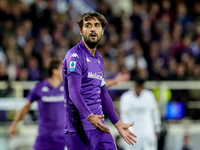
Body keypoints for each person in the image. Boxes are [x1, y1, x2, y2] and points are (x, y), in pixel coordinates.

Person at [62, 11, 137, 150]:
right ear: (80, 30)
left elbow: (103, 94)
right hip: (79, 130)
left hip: (100, 128)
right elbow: (73, 92)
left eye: (96, 25)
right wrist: (89, 116)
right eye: (88, 25)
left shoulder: (99, 59)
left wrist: (118, 123)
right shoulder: (74, 56)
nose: (92, 29)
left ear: (102, 30)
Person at [9, 58, 66, 150]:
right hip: (44, 137)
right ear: (54, 71)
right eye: (62, 69)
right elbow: (26, 107)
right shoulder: (38, 88)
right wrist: (14, 123)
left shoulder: (67, 88)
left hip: (62, 138)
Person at [120, 78, 161, 150]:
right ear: (134, 85)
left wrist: (157, 127)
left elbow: (155, 112)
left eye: (141, 86)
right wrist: (126, 129)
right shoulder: (126, 97)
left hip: (147, 132)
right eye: (138, 86)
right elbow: (123, 115)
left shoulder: (149, 96)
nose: (139, 88)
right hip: (133, 132)